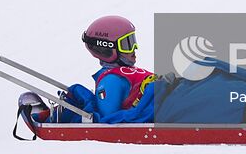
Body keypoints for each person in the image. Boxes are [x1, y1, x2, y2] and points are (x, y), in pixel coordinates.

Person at [24, 16, 160, 124]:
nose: (134, 48)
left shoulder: (119, 76)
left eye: (133, 41)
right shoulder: (111, 80)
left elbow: (106, 119)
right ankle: (52, 115)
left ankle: (56, 115)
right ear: (106, 48)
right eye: (127, 44)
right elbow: (109, 118)